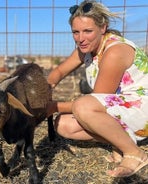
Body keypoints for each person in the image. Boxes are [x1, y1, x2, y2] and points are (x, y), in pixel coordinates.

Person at [47, 0, 148, 177]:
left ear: (103, 28)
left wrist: (52, 107)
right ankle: (120, 141)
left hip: (142, 108)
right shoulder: (86, 48)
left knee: (82, 106)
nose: (80, 38)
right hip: (122, 108)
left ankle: (134, 153)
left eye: (87, 31)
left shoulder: (115, 51)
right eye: (75, 32)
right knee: (63, 125)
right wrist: (45, 89)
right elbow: (60, 70)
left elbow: (98, 100)